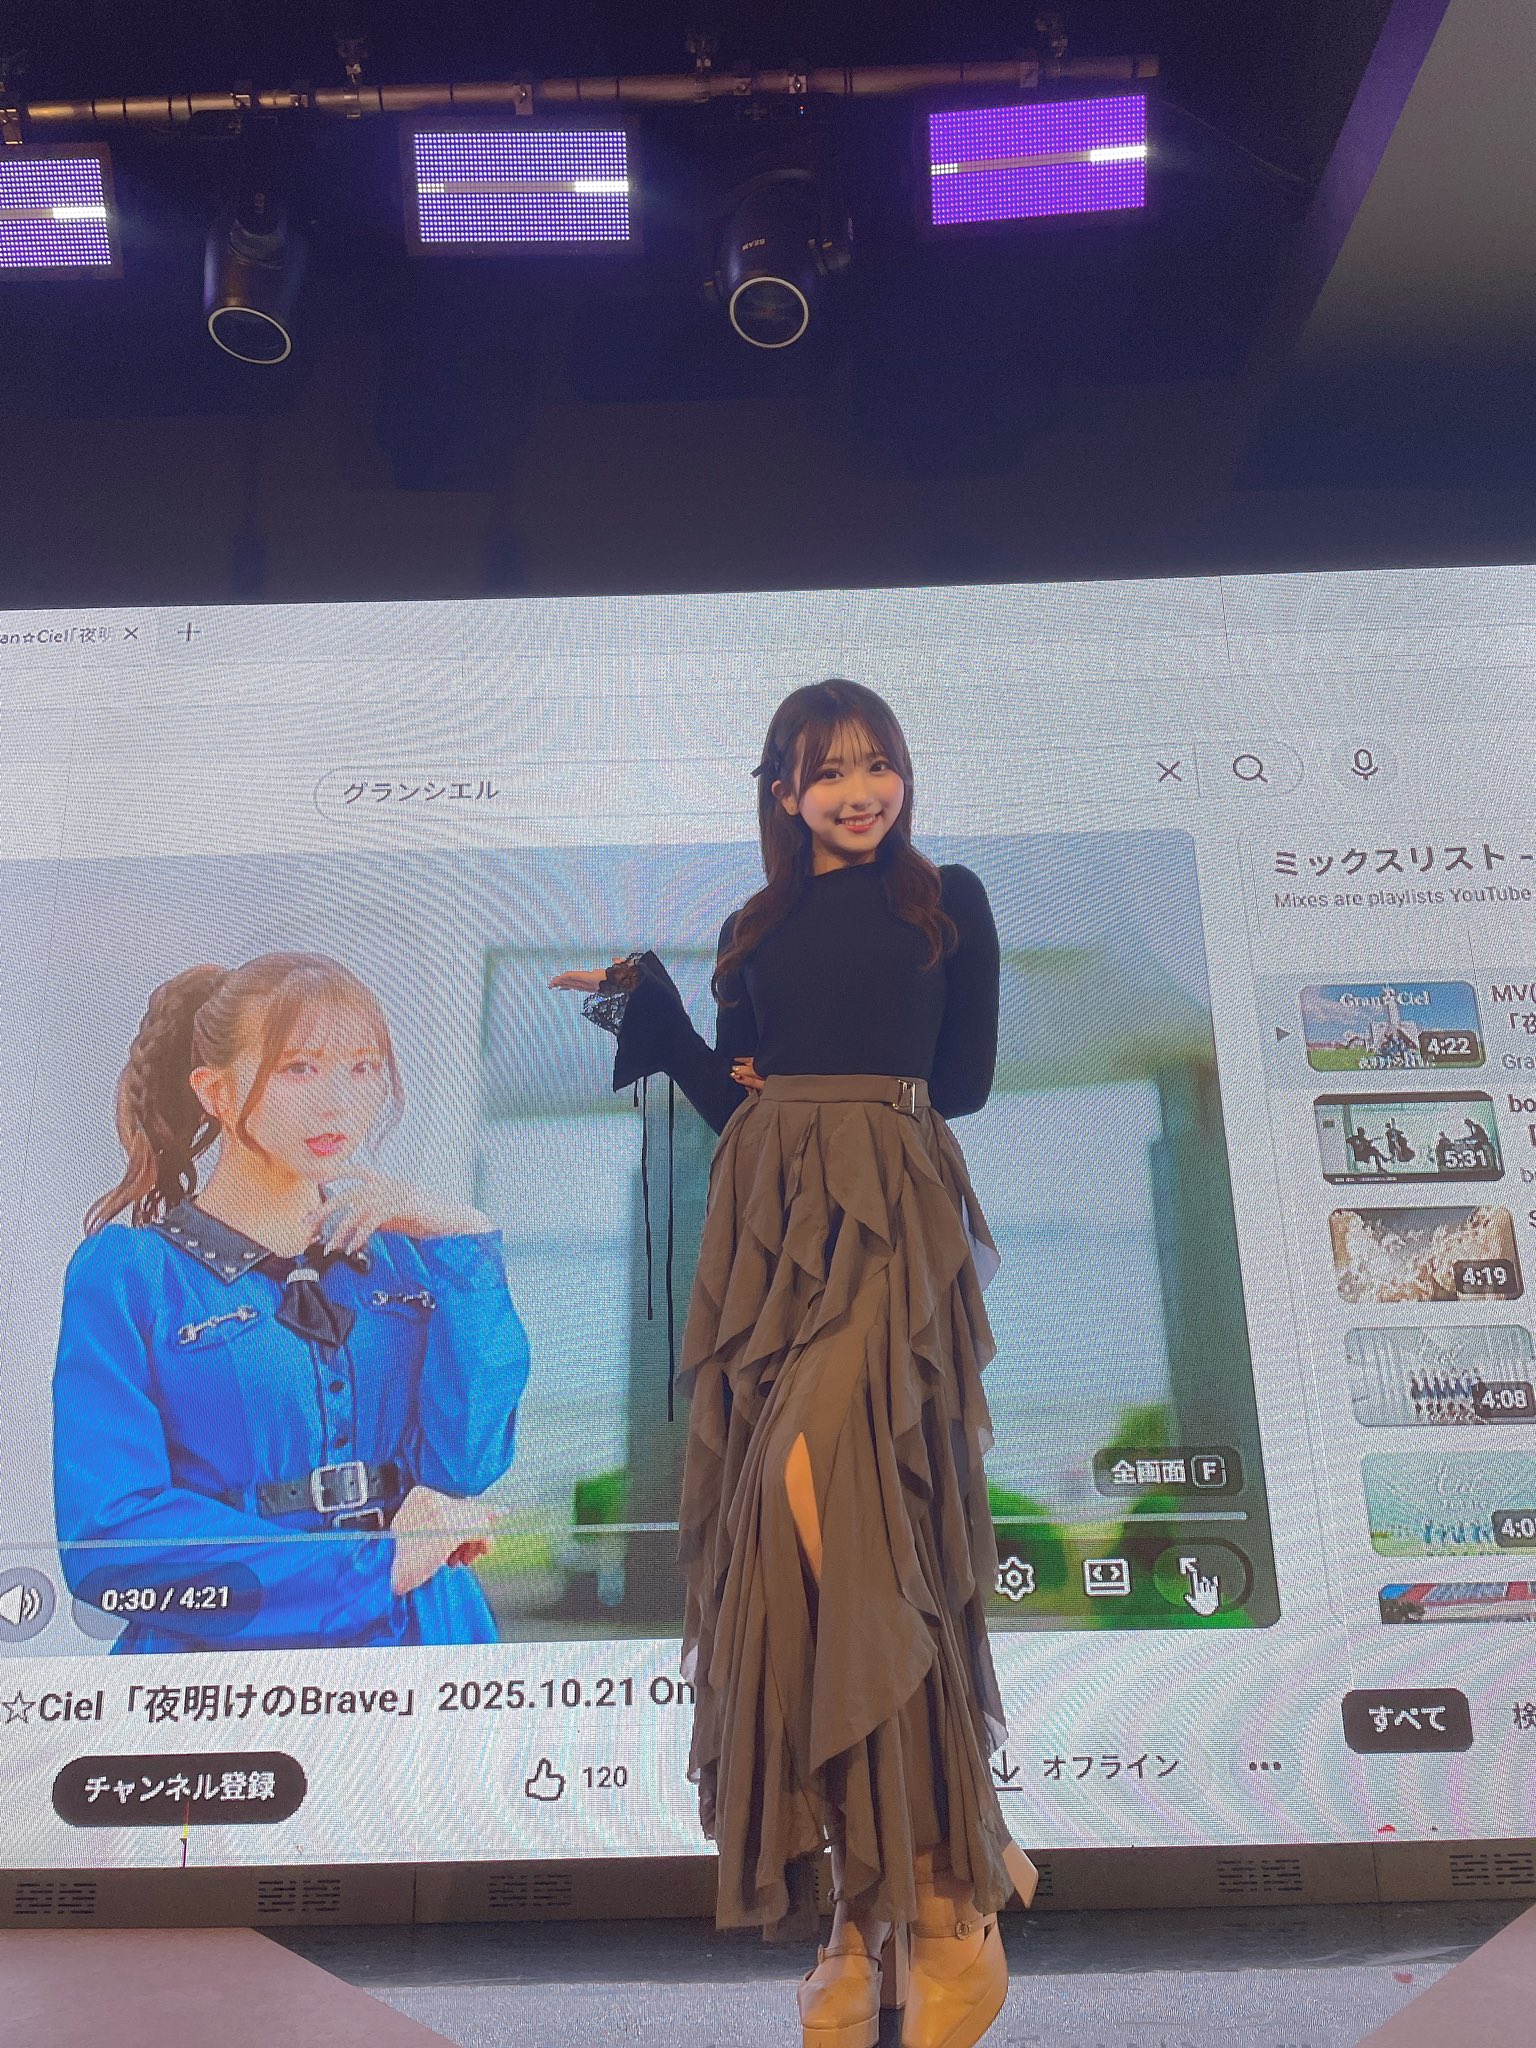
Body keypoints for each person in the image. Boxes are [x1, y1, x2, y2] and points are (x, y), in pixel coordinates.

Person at [552, 680, 1035, 2048]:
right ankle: (887, 1901)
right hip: (770, 1232)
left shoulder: (949, 903)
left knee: (825, 1498)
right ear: (783, 791)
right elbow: (737, 1099)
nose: (859, 790)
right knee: (799, 1565)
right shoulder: (751, 927)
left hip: (887, 1207)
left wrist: (843, 1108)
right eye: (829, 771)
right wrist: (657, 1013)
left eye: (878, 763)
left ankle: (941, 1894)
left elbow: (965, 1083)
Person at [54, 951, 530, 1653]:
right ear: (215, 1090)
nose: (338, 1102)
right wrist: (368, 1571)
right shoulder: (131, 1274)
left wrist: (462, 1238)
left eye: (363, 1068)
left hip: (425, 1641)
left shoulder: (409, 1254)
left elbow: (467, 1467)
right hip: (227, 1667)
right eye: (298, 1068)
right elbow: (109, 1538)